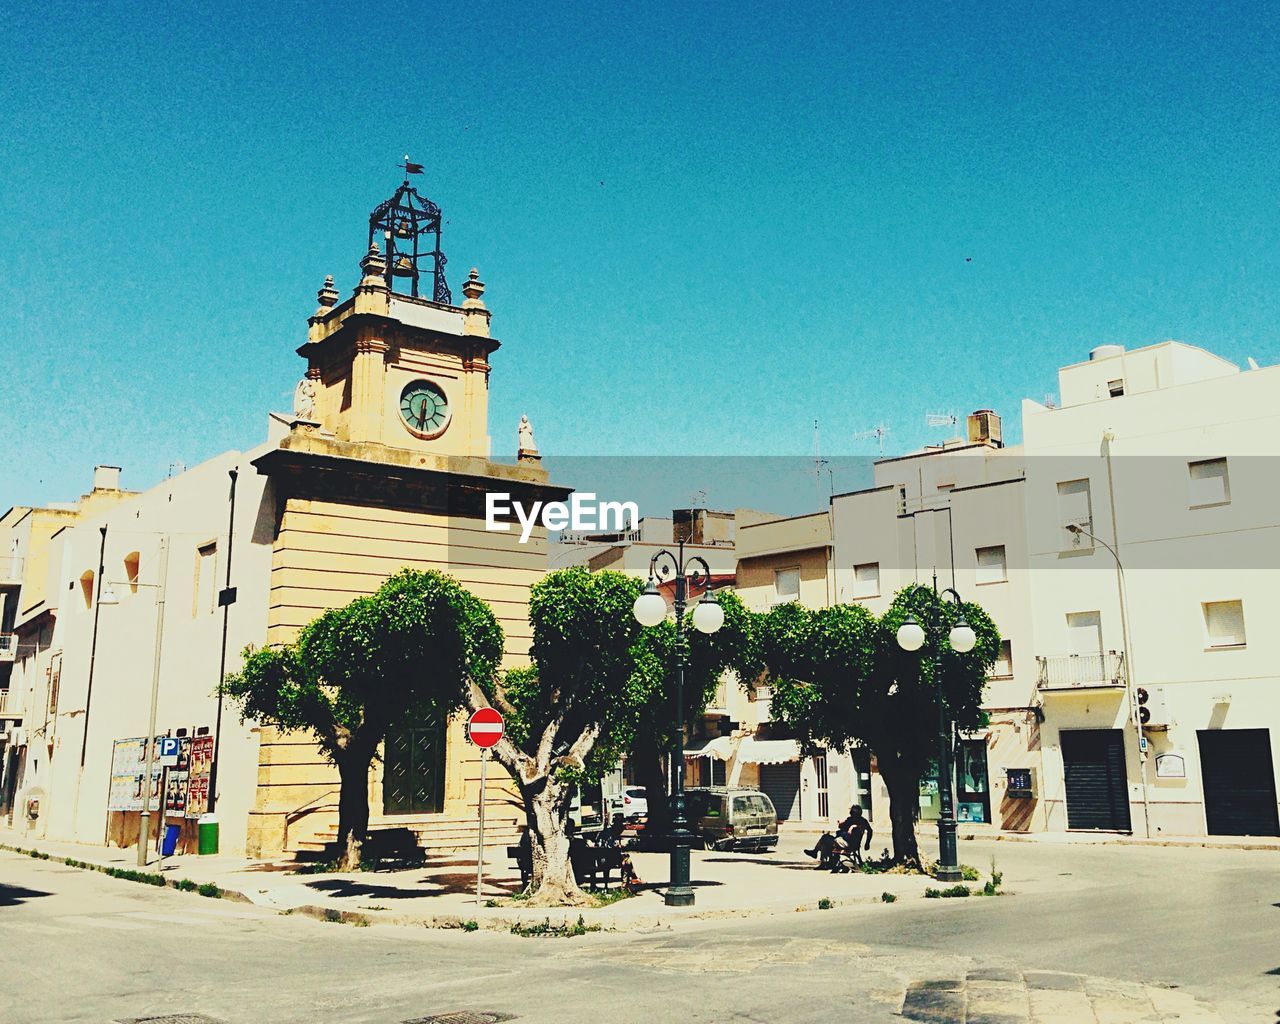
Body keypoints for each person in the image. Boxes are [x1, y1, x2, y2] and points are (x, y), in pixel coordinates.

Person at [805, 805, 873, 872]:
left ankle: (818, 855)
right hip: (853, 844)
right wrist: (867, 843)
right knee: (825, 843)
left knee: (825, 838)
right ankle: (823, 861)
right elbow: (870, 831)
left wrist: (842, 823)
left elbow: (841, 828)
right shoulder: (863, 821)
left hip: (846, 843)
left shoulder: (850, 820)